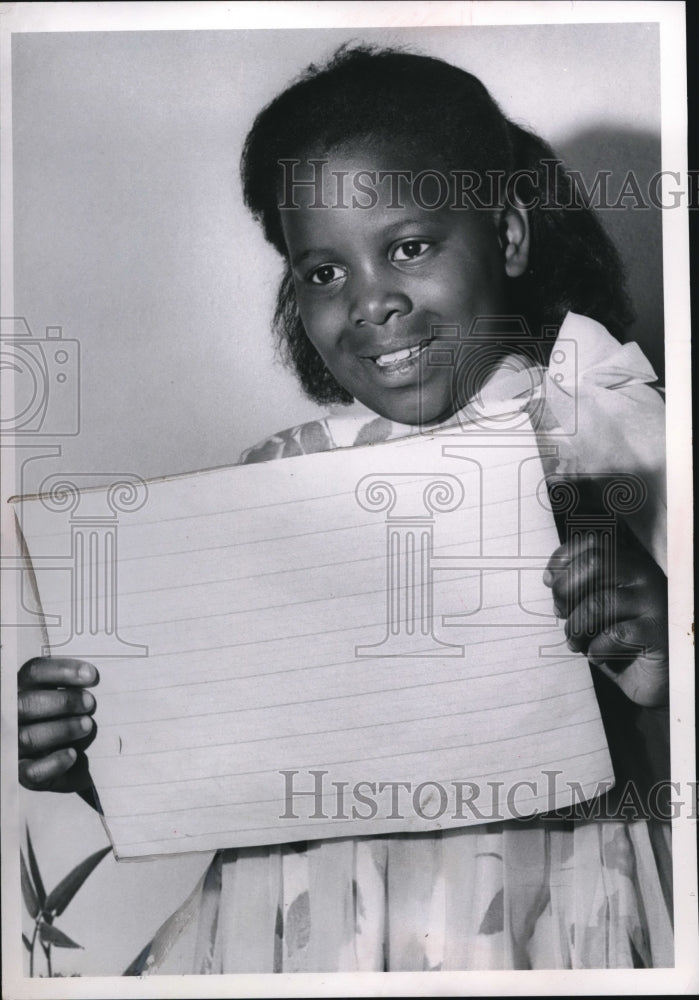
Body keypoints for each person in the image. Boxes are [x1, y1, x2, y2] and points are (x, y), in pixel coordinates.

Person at [18, 45, 672, 971]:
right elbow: (233, 755)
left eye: (408, 246)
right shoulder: (277, 477)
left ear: (509, 235)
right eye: (322, 271)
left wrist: (666, 640)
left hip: (537, 923)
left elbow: (659, 713)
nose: (370, 301)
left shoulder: (606, 430)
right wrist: (113, 751)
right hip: (298, 923)